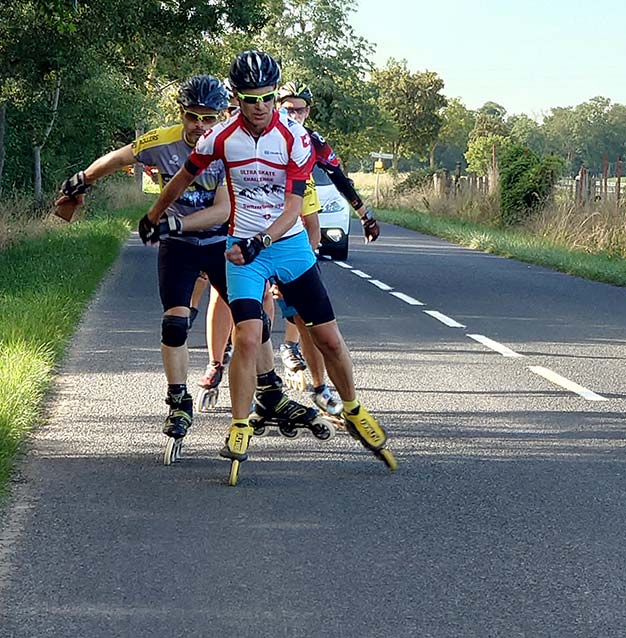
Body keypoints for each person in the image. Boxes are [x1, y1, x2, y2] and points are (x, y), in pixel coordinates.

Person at [143, 51, 394, 475]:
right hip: (244, 248)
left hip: (286, 242)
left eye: (267, 97)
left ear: (276, 96)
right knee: (247, 336)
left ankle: (351, 407)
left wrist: (361, 213)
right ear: (236, 100)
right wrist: (154, 218)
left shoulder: (295, 137)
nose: (259, 107)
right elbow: (182, 178)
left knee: (328, 338)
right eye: (248, 99)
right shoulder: (219, 138)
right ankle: (240, 424)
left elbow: (295, 205)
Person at [55, 76, 254, 456]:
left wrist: (173, 221)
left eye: (209, 119)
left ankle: (266, 389)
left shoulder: (231, 147)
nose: (200, 126)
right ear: (182, 114)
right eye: (193, 117)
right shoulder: (162, 141)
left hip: (219, 243)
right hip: (178, 246)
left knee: (251, 321)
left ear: (221, 117)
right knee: (175, 322)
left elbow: (224, 208)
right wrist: (84, 178)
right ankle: (179, 402)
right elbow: (120, 157)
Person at [273, 81, 381, 413]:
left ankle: (317, 385)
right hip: (256, 231)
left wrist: (364, 214)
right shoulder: (261, 137)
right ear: (276, 107)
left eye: (300, 109)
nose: (294, 114)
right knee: (256, 310)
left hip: (297, 229)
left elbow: (338, 176)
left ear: (309, 111)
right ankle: (247, 378)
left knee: (307, 315)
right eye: (287, 108)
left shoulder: (312, 142)